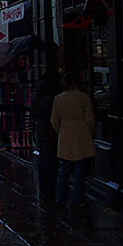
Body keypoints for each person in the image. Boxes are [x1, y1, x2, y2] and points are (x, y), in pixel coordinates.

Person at [51, 72, 95, 215]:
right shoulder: (83, 98)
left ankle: (60, 198)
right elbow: (90, 120)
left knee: (63, 171)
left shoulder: (58, 99)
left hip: (65, 136)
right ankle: (77, 200)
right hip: (81, 135)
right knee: (79, 173)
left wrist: (62, 131)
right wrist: (88, 133)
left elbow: (54, 120)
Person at [31, 72, 59, 206]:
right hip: (52, 130)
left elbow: (33, 113)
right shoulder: (53, 99)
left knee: (44, 159)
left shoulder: (37, 96)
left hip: (41, 130)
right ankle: (51, 189)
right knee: (52, 160)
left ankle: (44, 190)